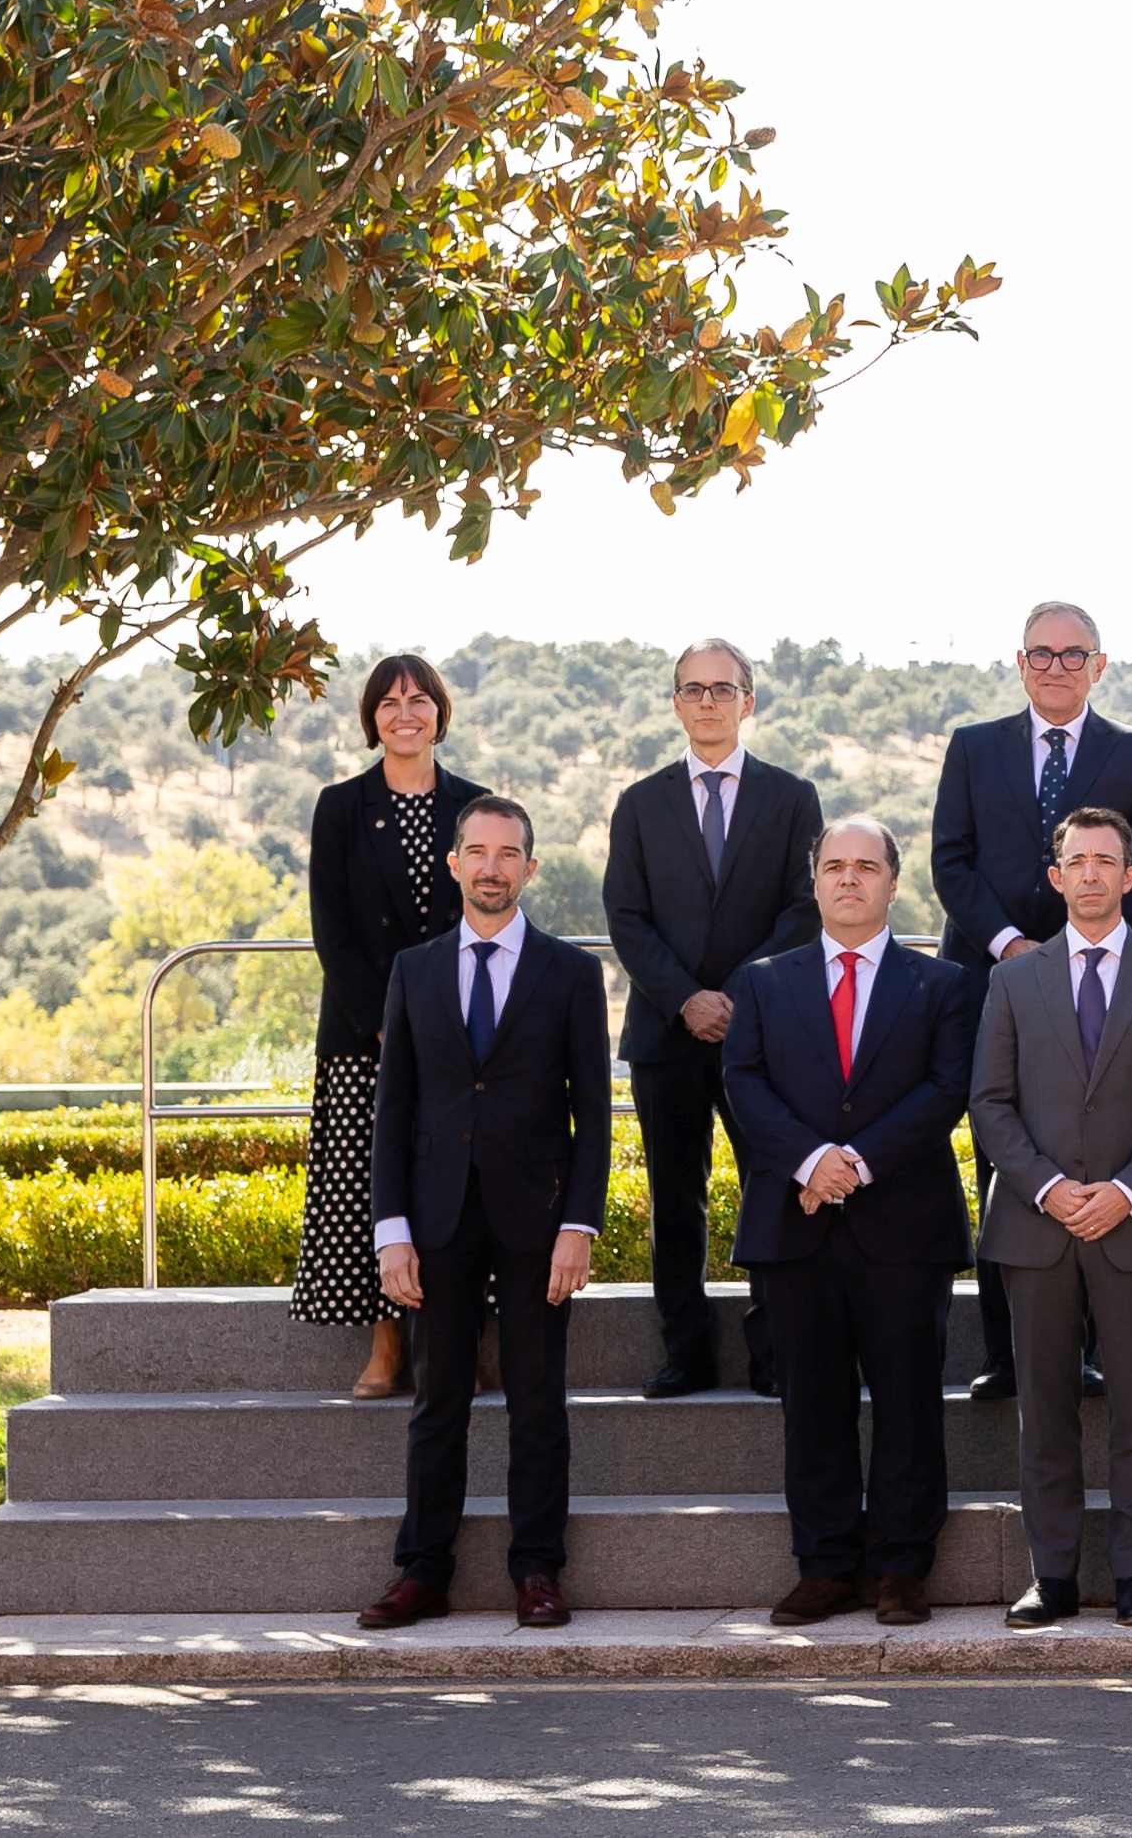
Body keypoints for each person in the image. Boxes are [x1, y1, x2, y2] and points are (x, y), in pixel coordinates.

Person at [354, 795, 608, 1631]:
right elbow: (393, 1110)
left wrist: (579, 1225)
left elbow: (594, 1113)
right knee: (438, 1399)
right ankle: (422, 1571)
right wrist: (391, 1230)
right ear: (455, 863)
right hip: (435, 1218)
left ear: (530, 867)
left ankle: (538, 1568)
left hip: (538, 1218)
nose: (492, 867)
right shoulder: (414, 969)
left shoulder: (570, 973)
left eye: (508, 853)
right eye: (478, 851)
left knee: (538, 1399)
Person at [719, 816, 971, 1628]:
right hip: (795, 1228)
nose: (850, 878)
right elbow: (744, 1082)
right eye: (835, 865)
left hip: (905, 1226)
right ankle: (824, 1565)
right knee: (812, 1403)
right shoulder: (763, 981)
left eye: (867, 865)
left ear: (894, 882)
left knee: (908, 1400)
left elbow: (946, 1090)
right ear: (814, 880)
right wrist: (810, 1160)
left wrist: (855, 1162)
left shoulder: (942, 983)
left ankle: (901, 1566)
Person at [969, 802, 1132, 1630]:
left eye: (1105, 860)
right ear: (1055, 875)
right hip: (1035, 1227)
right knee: (1044, 1409)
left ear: (1131, 876)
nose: (1089, 874)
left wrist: (1125, 1191)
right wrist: (1047, 1187)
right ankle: (1053, 1575)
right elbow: (989, 1103)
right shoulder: (1012, 980)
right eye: (1075, 860)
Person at [933, 601, 1132, 1402]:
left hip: (1100, 982)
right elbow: (950, 861)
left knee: (1100, 1148)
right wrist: (1012, 946)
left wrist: (1082, 947)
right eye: (1041, 652)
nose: (1056, 666)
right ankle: (1007, 1352)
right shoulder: (973, 747)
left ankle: (1091, 1349)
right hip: (991, 978)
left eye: (1073, 654)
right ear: (1019, 662)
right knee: (1002, 1161)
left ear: (1098, 665)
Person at [602, 637, 823, 1399]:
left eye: (722, 688)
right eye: (693, 688)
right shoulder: (639, 802)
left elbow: (804, 909)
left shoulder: (792, 798)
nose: (707, 701)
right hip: (666, 1032)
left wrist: (734, 996)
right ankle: (685, 1354)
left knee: (773, 1185)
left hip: (761, 1032)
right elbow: (625, 916)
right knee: (675, 1198)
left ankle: (775, 1351)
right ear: (675, 703)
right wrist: (686, 998)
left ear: (747, 701)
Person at [299, 653, 481, 1400]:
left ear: (440, 712)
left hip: (459, 1030)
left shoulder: (475, 804)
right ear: (372, 719)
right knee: (364, 1185)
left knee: (462, 1178)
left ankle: (466, 1335)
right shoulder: (340, 806)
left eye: (419, 700)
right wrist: (384, 1024)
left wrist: (439, 1024)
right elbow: (332, 929)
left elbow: (486, 916)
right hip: (360, 1032)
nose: (405, 714)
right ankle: (385, 1342)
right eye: (389, 703)